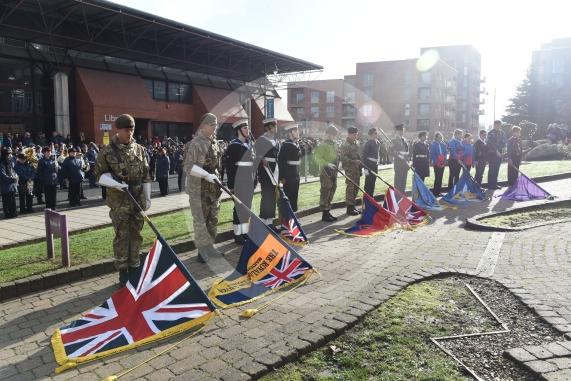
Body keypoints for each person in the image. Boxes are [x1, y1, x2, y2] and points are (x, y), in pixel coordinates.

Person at [95, 114, 152, 286]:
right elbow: (99, 176)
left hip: (137, 200)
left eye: (132, 129)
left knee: (136, 234)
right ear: (118, 130)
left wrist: (147, 197)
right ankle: (122, 271)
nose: (129, 133)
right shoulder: (107, 151)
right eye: (126, 130)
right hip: (119, 202)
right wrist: (116, 184)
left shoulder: (140, 149)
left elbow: (146, 175)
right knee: (122, 236)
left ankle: (135, 267)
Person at [183, 113, 223, 262]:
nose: (215, 127)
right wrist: (206, 175)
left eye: (216, 125)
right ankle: (202, 252)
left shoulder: (215, 143)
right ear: (204, 126)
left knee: (213, 220)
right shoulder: (195, 144)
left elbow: (218, 166)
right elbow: (189, 167)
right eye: (212, 125)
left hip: (214, 190)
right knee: (200, 222)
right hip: (198, 191)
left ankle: (210, 247)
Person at [225, 119, 256, 244]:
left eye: (248, 128)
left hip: (249, 182)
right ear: (238, 131)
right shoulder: (233, 146)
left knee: (247, 208)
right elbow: (230, 168)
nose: (247, 130)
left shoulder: (249, 145)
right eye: (244, 128)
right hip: (239, 183)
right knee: (239, 209)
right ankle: (237, 234)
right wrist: (231, 185)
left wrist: (255, 181)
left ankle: (244, 232)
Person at [254, 118, 280, 225]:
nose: (276, 128)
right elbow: (256, 153)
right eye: (274, 126)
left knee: (273, 195)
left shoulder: (276, 140)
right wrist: (262, 158)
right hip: (265, 170)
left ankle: (270, 221)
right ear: (269, 127)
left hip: (275, 168)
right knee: (266, 195)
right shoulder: (262, 139)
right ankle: (263, 221)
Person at [314, 124, 339, 222]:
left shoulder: (335, 144)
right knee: (326, 190)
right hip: (325, 171)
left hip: (334, 170)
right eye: (330, 134)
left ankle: (328, 210)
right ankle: (324, 214)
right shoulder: (323, 145)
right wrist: (327, 163)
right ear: (327, 134)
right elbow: (317, 158)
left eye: (334, 134)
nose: (332, 136)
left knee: (333, 189)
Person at [278, 123, 305, 212]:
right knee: (289, 197)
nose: (298, 132)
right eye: (295, 131)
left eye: (297, 130)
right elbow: (281, 162)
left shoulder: (296, 144)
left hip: (295, 173)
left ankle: (294, 218)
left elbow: (302, 156)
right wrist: (282, 177)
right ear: (290, 133)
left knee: (294, 196)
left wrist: (301, 145)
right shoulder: (286, 145)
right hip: (288, 175)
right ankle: (288, 220)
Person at [340, 126, 362, 215]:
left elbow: (358, 155)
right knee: (350, 188)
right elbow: (343, 158)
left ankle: (353, 206)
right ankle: (349, 208)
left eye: (356, 134)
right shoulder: (345, 144)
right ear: (349, 134)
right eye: (354, 134)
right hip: (349, 169)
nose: (356, 136)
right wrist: (353, 161)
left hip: (357, 169)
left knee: (356, 187)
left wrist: (360, 167)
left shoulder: (356, 143)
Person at [486, 120, 506, 189]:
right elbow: (490, 143)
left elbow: (504, 142)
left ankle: (495, 184)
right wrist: (496, 151)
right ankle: (490, 185)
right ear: (494, 125)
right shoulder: (490, 133)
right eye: (496, 125)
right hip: (492, 153)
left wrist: (503, 150)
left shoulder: (502, 132)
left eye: (499, 125)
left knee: (497, 169)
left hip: (499, 153)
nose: (498, 126)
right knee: (492, 169)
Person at [391, 123, 409, 193]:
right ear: (397, 131)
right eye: (400, 130)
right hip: (398, 163)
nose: (402, 131)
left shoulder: (405, 140)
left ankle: (402, 198)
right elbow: (390, 151)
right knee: (398, 182)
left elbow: (407, 151)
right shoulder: (394, 140)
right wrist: (398, 155)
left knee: (403, 182)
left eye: (402, 130)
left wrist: (407, 160)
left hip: (405, 163)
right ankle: (397, 198)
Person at [0, 147, 18, 218]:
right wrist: (13, 179)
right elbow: (2, 175)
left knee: (12, 200)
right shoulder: (2, 163)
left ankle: (13, 213)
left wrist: (15, 176)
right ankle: (8, 214)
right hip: (5, 185)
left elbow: (13, 171)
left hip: (11, 185)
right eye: (8, 154)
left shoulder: (9, 162)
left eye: (10, 153)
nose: (10, 155)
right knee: (7, 200)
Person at [362, 128, 380, 196]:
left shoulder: (378, 143)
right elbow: (364, 157)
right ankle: (367, 199)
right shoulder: (368, 143)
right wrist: (365, 170)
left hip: (375, 165)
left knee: (373, 182)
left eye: (377, 133)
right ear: (371, 134)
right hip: (368, 165)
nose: (376, 135)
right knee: (368, 183)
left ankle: (371, 198)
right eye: (375, 133)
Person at [430, 132, 447, 196]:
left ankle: (439, 191)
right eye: (439, 137)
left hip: (443, 163)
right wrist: (437, 163)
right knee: (437, 177)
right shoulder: (433, 145)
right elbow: (433, 155)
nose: (440, 138)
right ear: (436, 138)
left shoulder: (444, 145)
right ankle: (435, 192)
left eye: (441, 137)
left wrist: (444, 162)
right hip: (436, 164)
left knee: (441, 177)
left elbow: (445, 154)